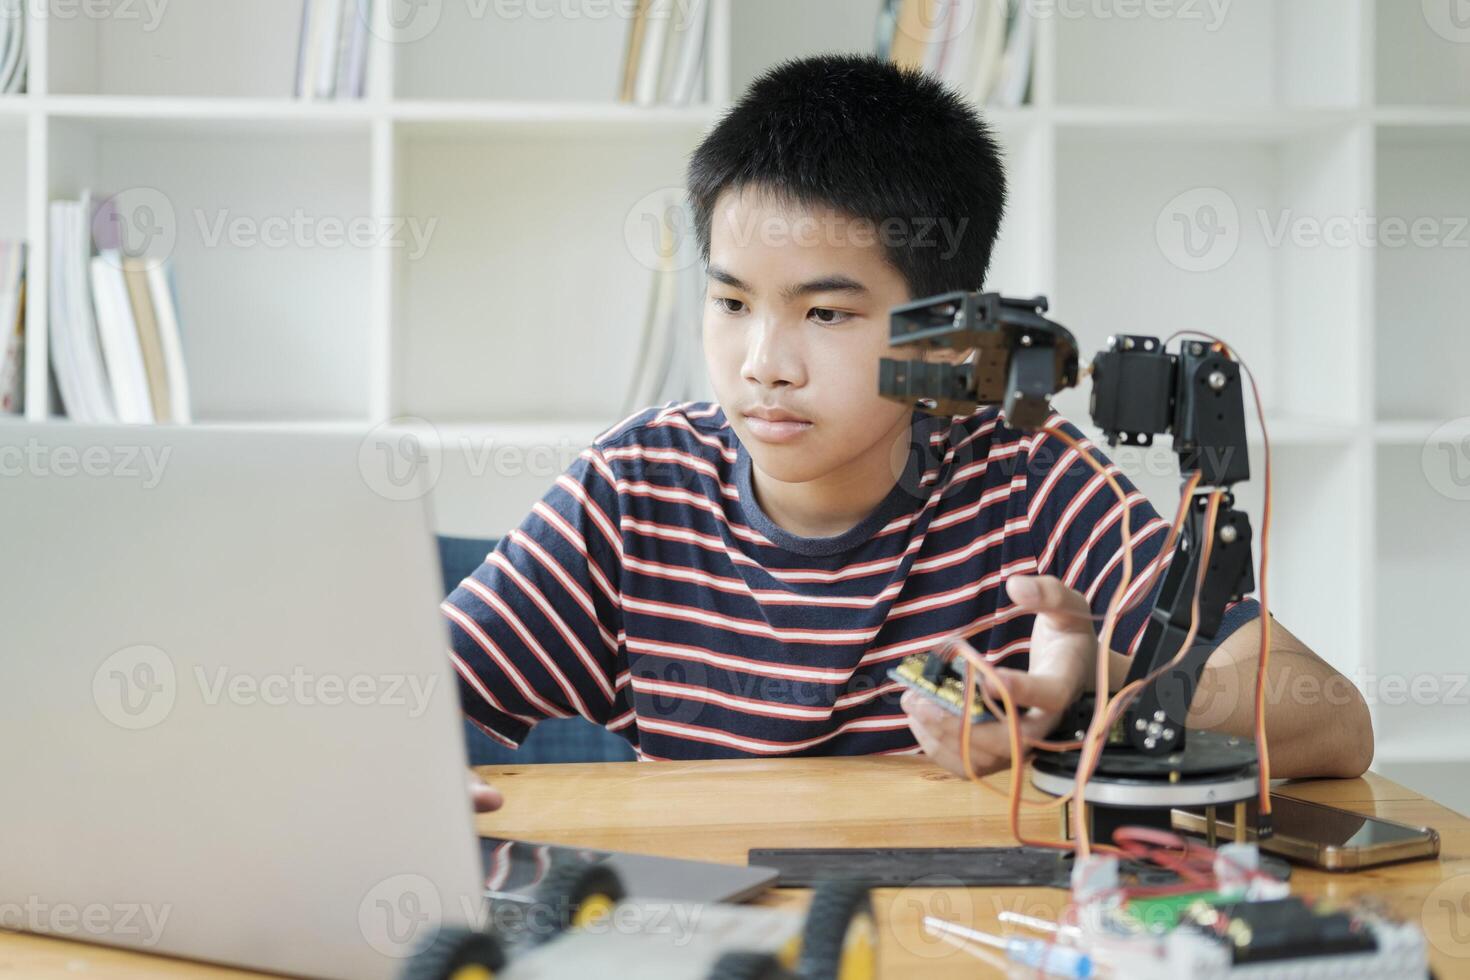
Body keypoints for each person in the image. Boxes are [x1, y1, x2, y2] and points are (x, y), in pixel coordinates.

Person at [454, 54, 1373, 812]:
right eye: (731, 301)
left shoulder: (1024, 475)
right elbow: (401, 699)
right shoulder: (637, 483)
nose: (763, 362)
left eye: (826, 316)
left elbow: (1332, 717)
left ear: (942, 339)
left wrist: (1086, 697)